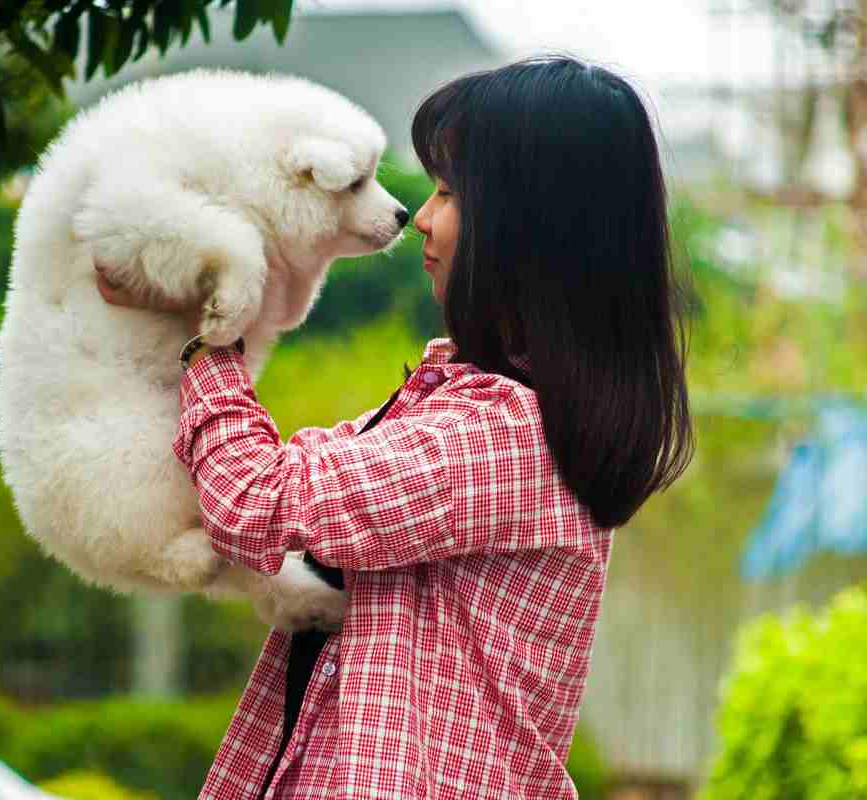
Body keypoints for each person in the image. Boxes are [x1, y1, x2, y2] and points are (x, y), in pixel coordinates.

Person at [96, 55, 694, 800]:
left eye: (450, 191)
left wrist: (202, 327)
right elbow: (293, 486)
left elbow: (260, 501)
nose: (423, 215)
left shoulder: (500, 439)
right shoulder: (462, 408)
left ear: (530, 230)